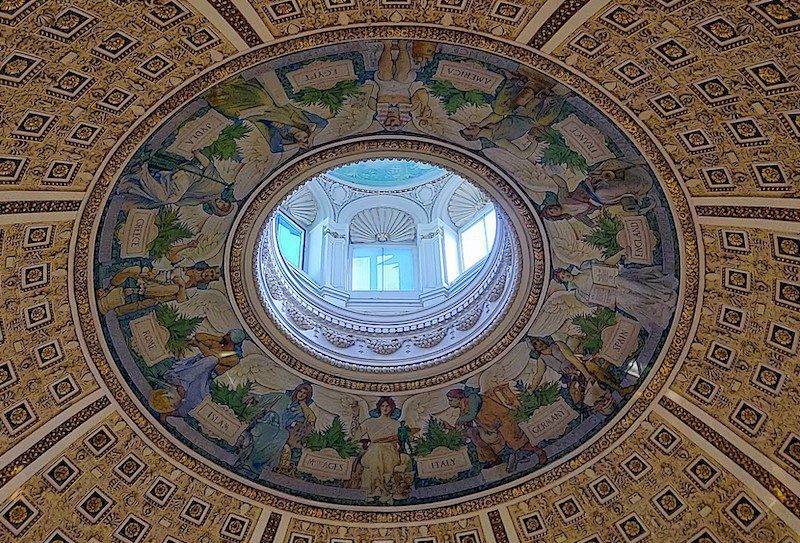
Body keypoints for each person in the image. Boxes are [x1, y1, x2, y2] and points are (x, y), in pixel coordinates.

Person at [552, 254, 678, 334]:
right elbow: (597, 303)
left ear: (565, 270)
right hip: (614, 296)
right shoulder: (579, 294)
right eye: (563, 277)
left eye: (563, 273)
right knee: (635, 301)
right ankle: (660, 308)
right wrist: (606, 304)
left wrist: (621, 253)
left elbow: (606, 264)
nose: (565, 276)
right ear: (563, 281)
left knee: (638, 287)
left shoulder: (585, 267)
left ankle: (664, 296)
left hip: (616, 280)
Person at [206, 76, 327, 153]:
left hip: (258, 113)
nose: (301, 137)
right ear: (308, 133)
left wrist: (296, 145)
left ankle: (220, 95)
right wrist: (312, 137)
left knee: (232, 111)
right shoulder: (302, 119)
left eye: (300, 139)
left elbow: (275, 149)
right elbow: (323, 122)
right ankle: (229, 85)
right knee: (264, 100)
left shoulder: (280, 132)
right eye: (305, 137)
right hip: (273, 103)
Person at [149, 329, 247, 420]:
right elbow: (199, 337)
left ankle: (166, 414)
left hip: (204, 378)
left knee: (193, 403)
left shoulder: (235, 359)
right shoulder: (216, 344)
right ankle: (181, 383)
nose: (225, 336)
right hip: (191, 370)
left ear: (233, 340)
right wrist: (217, 338)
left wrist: (198, 345)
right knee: (209, 360)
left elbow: (215, 358)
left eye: (228, 335)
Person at [446, 386, 547, 472]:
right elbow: (465, 424)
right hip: (492, 426)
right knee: (481, 438)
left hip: (503, 418)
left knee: (517, 442)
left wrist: (460, 420)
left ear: (458, 398)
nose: (450, 403)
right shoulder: (463, 408)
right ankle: (500, 459)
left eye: (451, 400)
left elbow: (472, 414)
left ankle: (539, 452)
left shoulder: (473, 398)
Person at [117, 151, 235, 216]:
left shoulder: (201, 201)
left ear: (216, 209)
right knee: (165, 198)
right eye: (226, 204)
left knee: (162, 200)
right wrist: (197, 154)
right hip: (188, 176)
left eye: (222, 207)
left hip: (175, 188)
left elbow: (181, 201)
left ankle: (136, 183)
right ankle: (142, 173)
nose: (222, 203)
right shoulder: (219, 186)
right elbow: (209, 167)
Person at [540, 159, 654, 225]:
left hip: (591, 190)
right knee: (618, 196)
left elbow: (562, 185)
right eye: (552, 213)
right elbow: (592, 224)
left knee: (604, 192)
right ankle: (637, 184)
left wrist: (552, 175)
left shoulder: (562, 199)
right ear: (558, 216)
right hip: (602, 202)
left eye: (551, 209)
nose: (553, 210)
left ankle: (637, 176)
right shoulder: (578, 217)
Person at [237, 382, 316, 476]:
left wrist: (303, 404)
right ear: (296, 391)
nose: (301, 394)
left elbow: (311, 418)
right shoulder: (282, 397)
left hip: (281, 429)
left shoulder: (300, 410)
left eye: (305, 394)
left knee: (283, 436)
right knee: (266, 433)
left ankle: (255, 467)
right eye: (300, 391)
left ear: (307, 397)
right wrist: (252, 396)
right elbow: (262, 399)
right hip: (267, 422)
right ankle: (249, 463)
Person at [96, 261, 220, 316]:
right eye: (211, 272)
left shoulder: (194, 289)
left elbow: (181, 300)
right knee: (132, 270)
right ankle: (108, 289)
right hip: (153, 276)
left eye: (211, 276)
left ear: (209, 280)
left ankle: (136, 290)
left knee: (175, 289)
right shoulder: (189, 265)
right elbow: (171, 255)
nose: (208, 274)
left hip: (154, 291)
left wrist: (182, 285)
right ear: (208, 268)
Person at [357, 397, 410, 501]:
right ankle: (381, 489)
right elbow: (356, 435)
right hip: (371, 454)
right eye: (383, 406)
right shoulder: (370, 422)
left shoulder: (397, 424)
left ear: (391, 408)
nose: (385, 408)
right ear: (379, 407)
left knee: (379, 451)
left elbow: (402, 441)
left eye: (387, 406)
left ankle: (377, 488)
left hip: (391, 454)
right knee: (377, 450)